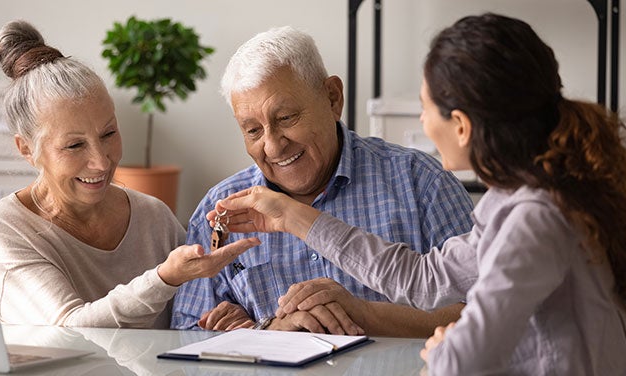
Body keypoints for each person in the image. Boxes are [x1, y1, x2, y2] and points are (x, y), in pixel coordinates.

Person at [208, 13, 626, 375]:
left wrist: (442, 349)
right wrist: (290, 216)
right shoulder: (513, 202)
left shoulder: (534, 217)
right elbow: (422, 278)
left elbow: (469, 355)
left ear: (461, 125)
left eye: (423, 106)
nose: (420, 119)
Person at [170, 26, 475, 337]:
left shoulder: (421, 183)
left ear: (333, 98)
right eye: (253, 131)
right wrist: (267, 331)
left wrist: (365, 314)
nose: (273, 146)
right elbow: (183, 340)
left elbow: (488, 319)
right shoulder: (219, 211)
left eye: (286, 118)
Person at [0, 20, 259, 329]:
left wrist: (229, 315)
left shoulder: (154, 219)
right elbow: (71, 330)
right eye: (74, 145)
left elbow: (194, 316)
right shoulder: (4, 228)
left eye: (109, 133)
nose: (100, 161)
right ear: (27, 149)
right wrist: (165, 277)